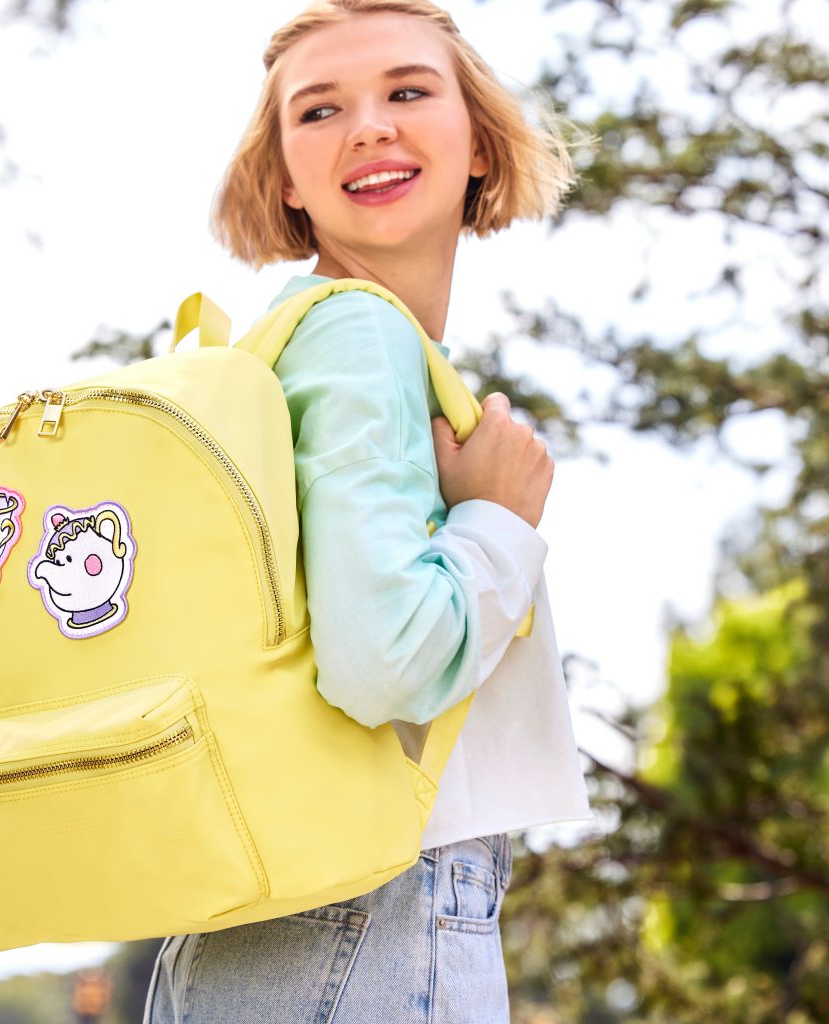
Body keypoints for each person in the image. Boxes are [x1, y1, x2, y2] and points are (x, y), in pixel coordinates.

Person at [145, 1, 593, 1021]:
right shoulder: (358, 337)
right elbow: (383, 660)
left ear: (477, 141)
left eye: (406, 91)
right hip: (367, 911)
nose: (368, 127)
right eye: (319, 111)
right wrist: (498, 521)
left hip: (263, 917)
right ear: (284, 182)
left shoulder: (278, 347)